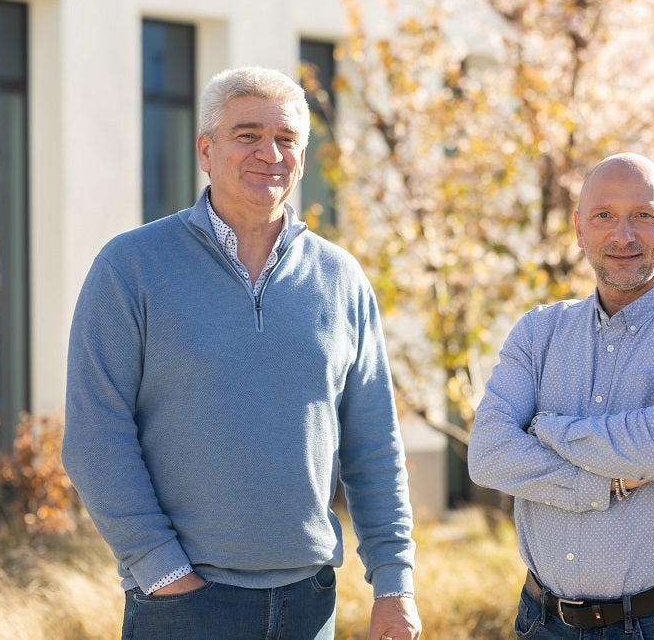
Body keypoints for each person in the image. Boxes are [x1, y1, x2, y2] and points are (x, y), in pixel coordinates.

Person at [62, 66, 421, 640]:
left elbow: (374, 446)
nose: (269, 154)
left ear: (302, 159)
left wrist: (395, 585)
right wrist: (162, 571)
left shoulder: (342, 279)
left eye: (286, 140)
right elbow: (94, 435)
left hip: (310, 604)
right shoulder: (131, 267)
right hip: (183, 606)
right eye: (247, 135)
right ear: (206, 150)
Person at [468, 152, 654, 639]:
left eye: (643, 215)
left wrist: (545, 427)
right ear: (580, 230)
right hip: (543, 622)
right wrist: (610, 483)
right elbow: (488, 455)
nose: (623, 236)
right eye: (604, 216)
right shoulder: (538, 333)